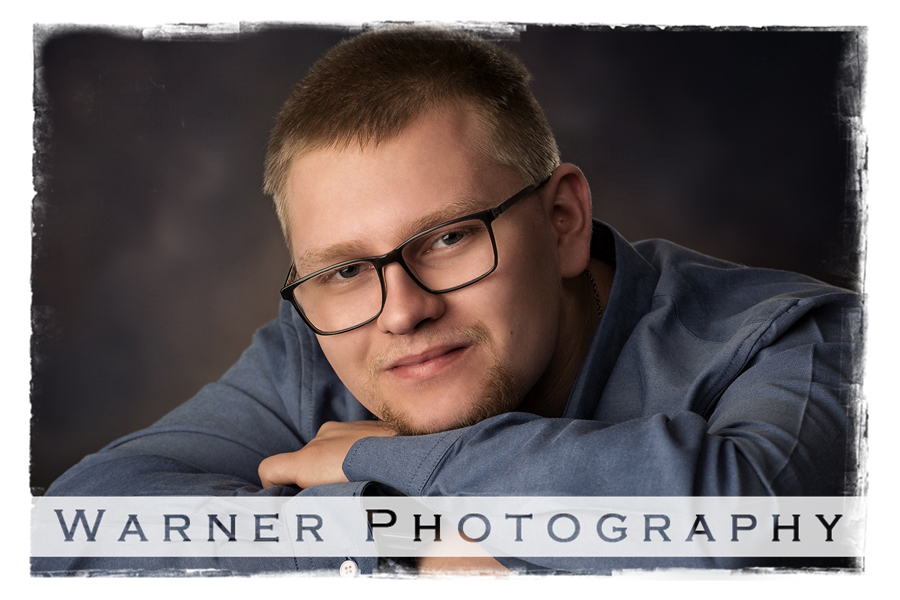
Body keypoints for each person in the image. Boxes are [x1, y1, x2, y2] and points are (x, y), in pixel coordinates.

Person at [34, 25, 862, 576]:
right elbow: (83, 525)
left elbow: (747, 531)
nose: (400, 313)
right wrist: (419, 540)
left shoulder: (807, 343)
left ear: (564, 221)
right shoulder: (313, 346)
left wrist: (368, 458)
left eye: (447, 237)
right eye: (346, 269)